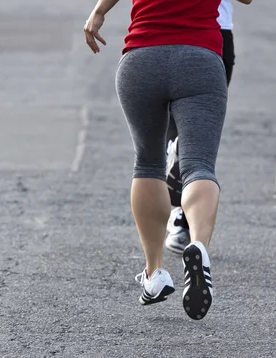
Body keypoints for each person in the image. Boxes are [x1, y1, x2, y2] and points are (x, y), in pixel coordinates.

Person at [84, 0, 229, 320]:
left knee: (148, 162)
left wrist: (99, 11)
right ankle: (199, 246)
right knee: (199, 165)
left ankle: (155, 274)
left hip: (142, 58)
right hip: (199, 58)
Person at [165, 0, 252, 255]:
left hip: (167, 31)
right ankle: (184, 220)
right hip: (211, 32)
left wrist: (100, 11)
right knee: (197, 135)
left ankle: (179, 214)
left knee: (178, 134)